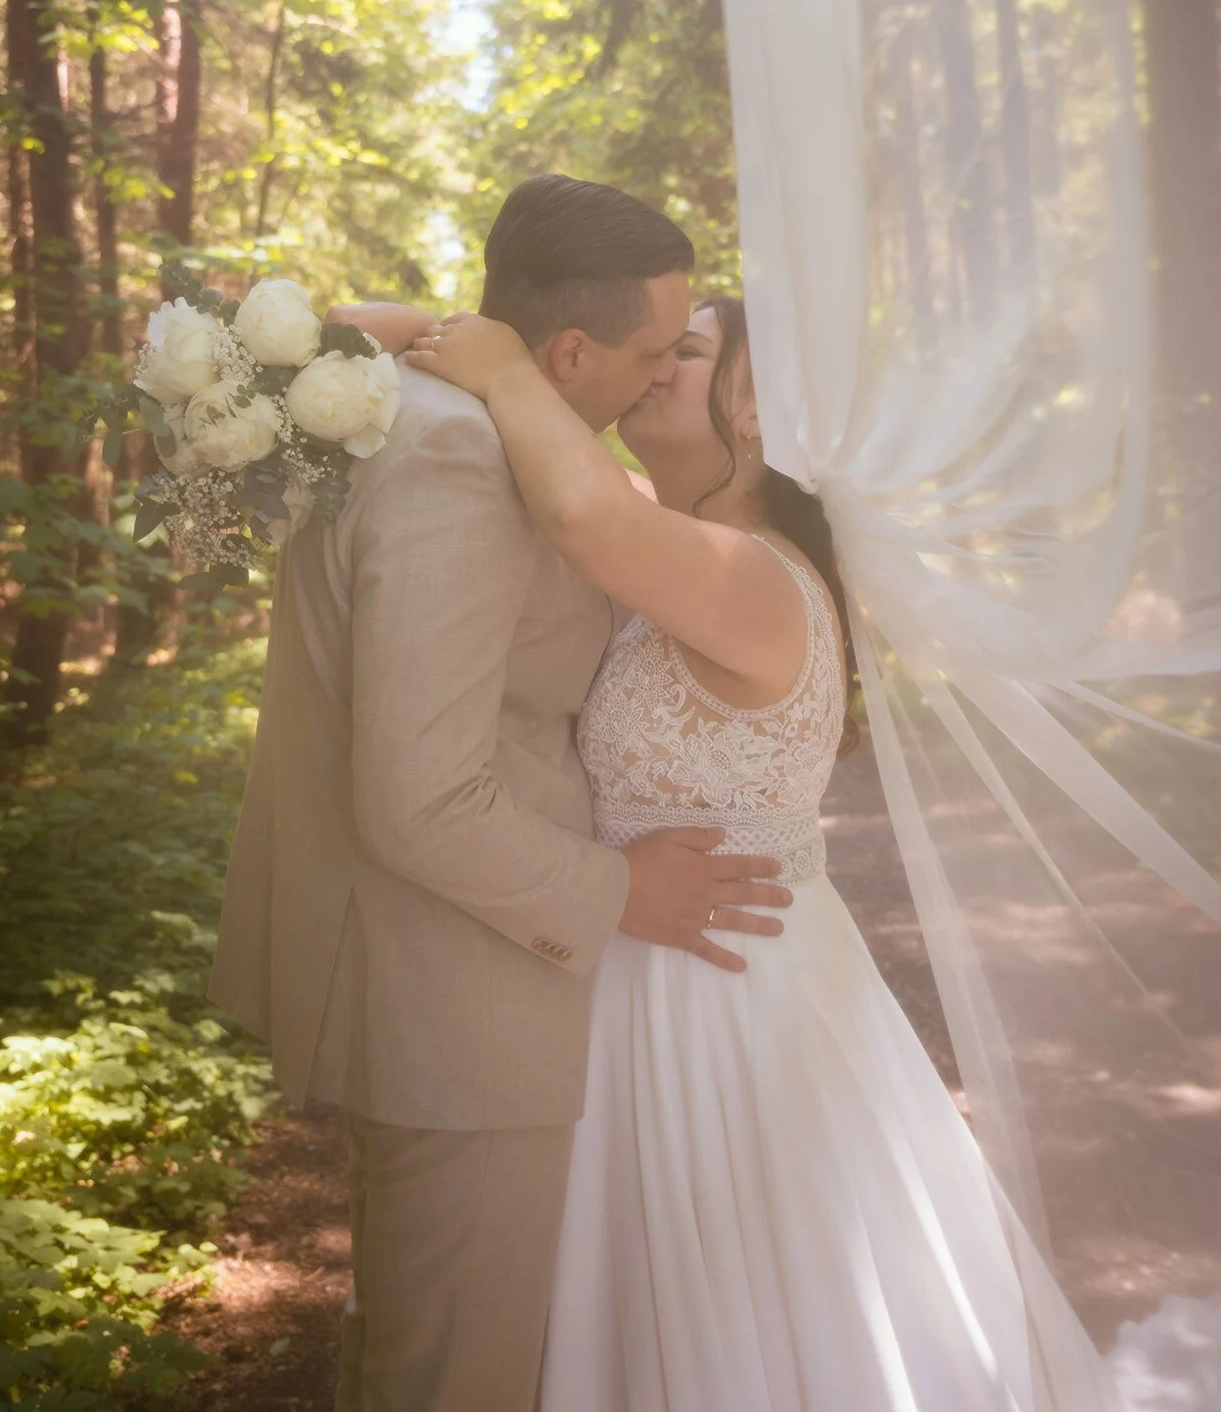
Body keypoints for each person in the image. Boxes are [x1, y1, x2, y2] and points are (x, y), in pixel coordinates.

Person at [370, 288, 1129, 1412]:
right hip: (633, 969)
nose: (656, 365)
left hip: (723, 997)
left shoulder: (748, 574)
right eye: (653, 349)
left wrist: (507, 370)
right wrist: (410, 329)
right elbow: (390, 349)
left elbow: (581, 518)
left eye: (687, 352)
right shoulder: (669, 534)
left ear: (770, 414)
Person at [207, 177, 792, 1412]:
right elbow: (421, 800)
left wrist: (454, 340)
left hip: (443, 978)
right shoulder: (461, 461)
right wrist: (617, 891)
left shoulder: (403, 412)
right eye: (650, 351)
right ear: (568, 347)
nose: (654, 377)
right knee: (451, 1374)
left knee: (419, 1351)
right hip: (457, 997)